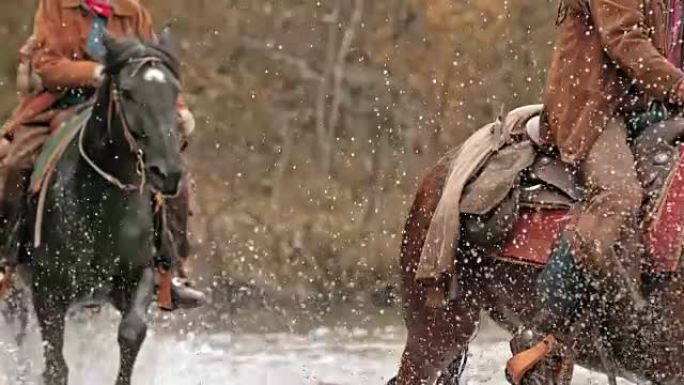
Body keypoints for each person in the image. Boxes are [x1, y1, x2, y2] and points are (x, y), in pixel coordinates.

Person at [506, 0, 684, 382]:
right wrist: (680, 85)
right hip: (596, 106)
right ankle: (544, 333)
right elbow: (625, 39)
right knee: (617, 195)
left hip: (654, 104)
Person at [0, 0, 205, 311]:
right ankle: (9, 258)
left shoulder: (132, 11)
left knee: (173, 173)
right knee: (16, 163)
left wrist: (178, 110)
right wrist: (98, 73)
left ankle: (171, 270)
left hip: (125, 112)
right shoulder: (55, 6)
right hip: (60, 106)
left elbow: (155, 70)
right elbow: (47, 65)